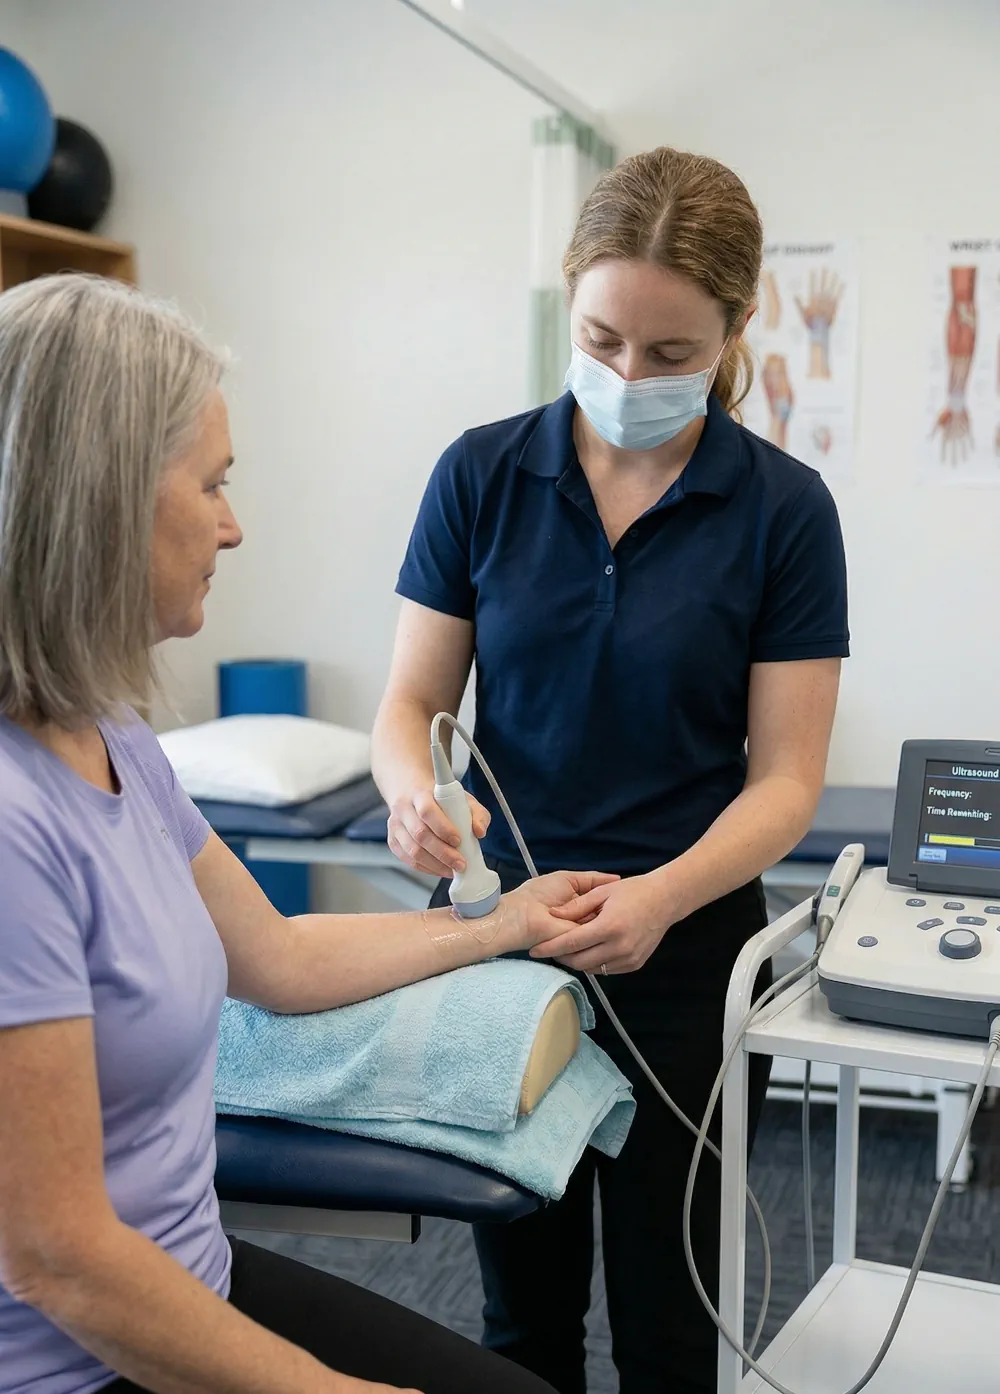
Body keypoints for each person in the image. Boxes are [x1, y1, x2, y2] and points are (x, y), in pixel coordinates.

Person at [0, 274, 613, 1394]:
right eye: (212, 485)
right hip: (73, 1362)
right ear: (98, 502)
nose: (234, 525)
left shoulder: (112, 734)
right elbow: (57, 1256)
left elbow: (277, 956)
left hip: (194, 1271)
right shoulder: (11, 826)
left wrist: (504, 922)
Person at [372, 146, 850, 1394]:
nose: (628, 376)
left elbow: (785, 782)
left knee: (667, 1326)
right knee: (520, 1317)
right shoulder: (480, 474)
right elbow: (411, 706)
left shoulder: (784, 512)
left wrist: (659, 899)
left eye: (670, 352)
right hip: (504, 943)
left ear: (736, 327)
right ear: (570, 302)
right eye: (601, 339)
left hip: (684, 956)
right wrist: (413, 796)